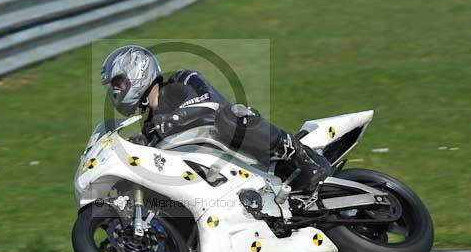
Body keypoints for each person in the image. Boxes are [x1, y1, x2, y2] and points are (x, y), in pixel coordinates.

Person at [100, 45, 332, 192]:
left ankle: (302, 156)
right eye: (113, 87)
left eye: (118, 82)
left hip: (238, 144)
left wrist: (172, 119)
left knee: (232, 115)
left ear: (137, 71)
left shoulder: (183, 79)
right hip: (212, 172)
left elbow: (211, 102)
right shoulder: (150, 125)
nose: (116, 91)